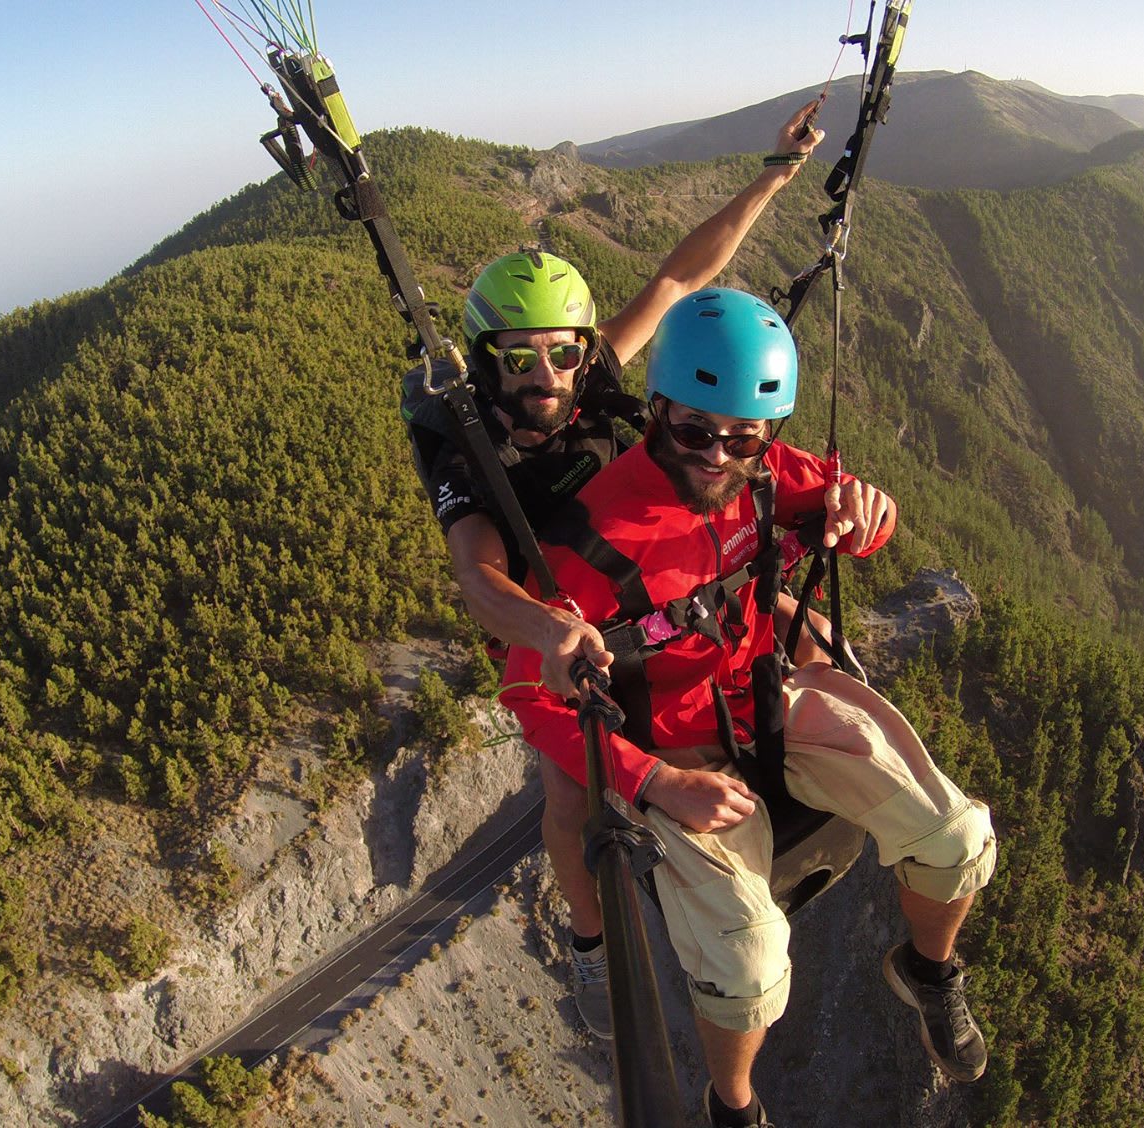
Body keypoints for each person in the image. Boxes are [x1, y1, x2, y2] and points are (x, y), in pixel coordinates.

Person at [500, 289, 998, 1126]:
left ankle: (929, 970)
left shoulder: (766, 474)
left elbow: (851, 513)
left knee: (958, 839)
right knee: (751, 964)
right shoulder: (585, 545)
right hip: (674, 748)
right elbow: (530, 695)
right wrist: (653, 780)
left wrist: (868, 517)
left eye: (743, 437)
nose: (717, 456)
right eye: (694, 432)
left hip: (765, 701)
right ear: (657, 412)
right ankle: (731, 1104)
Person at [403, 102, 826, 1039]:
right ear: (485, 362)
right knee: (569, 786)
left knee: (797, 618)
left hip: (644, 579)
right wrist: (549, 629)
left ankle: (814, 770)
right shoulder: (474, 459)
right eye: (519, 359)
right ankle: (594, 948)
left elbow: (683, 272)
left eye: (562, 353)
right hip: (556, 627)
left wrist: (773, 176)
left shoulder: (594, 377)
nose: (546, 377)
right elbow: (479, 580)